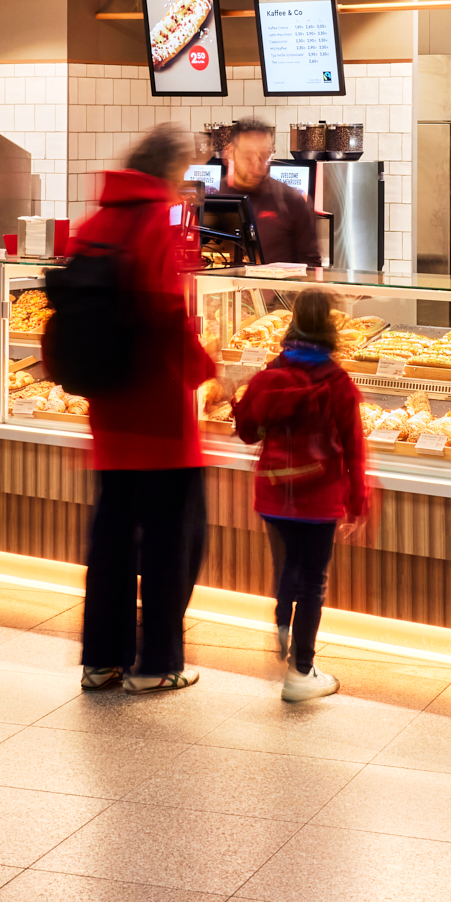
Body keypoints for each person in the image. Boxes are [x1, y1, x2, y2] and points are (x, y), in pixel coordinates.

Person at [75, 124, 221, 693]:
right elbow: (166, 314)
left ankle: (101, 660)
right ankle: (158, 664)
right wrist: (209, 373)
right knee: (170, 542)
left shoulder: (96, 222)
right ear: (170, 171)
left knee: (110, 540)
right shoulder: (157, 220)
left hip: (108, 413)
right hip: (159, 415)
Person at [231, 288, 371, 702]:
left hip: (274, 492)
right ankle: (301, 671)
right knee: (313, 582)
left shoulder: (269, 374)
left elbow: (245, 433)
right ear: (330, 327)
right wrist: (357, 501)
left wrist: (240, 402)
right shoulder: (338, 382)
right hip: (320, 496)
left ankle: (282, 622)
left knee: (286, 568)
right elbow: (353, 446)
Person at [218, 118, 322, 265]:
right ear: (230, 152)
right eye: (248, 156)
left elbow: (312, 264)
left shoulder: (292, 201)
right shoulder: (213, 200)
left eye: (264, 156)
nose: (256, 165)